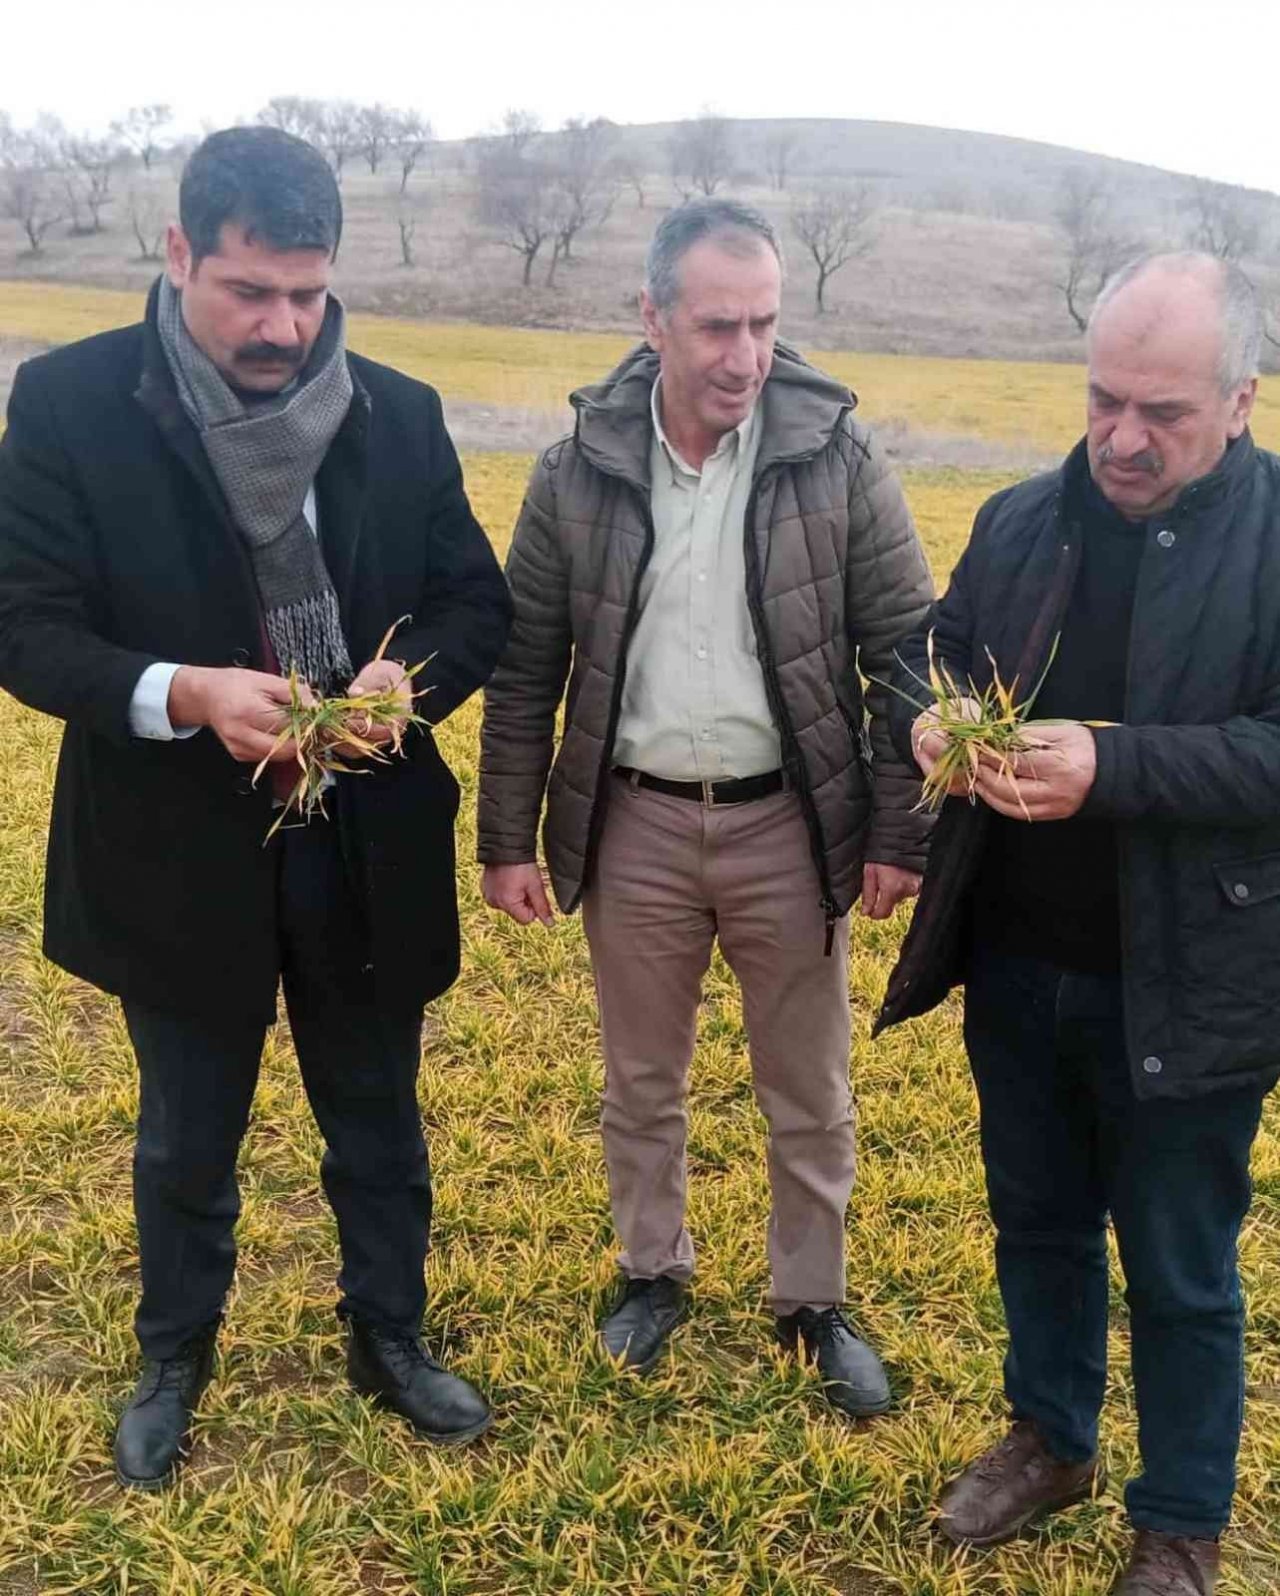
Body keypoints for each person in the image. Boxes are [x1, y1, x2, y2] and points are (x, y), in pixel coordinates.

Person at [0, 127, 512, 1490]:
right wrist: (185, 694)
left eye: (309, 291)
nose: (286, 325)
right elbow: (25, 624)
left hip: (368, 839)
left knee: (379, 1120)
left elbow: (477, 604)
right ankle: (176, 1353)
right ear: (178, 256)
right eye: (250, 292)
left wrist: (415, 679)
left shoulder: (396, 411)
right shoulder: (68, 403)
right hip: (176, 845)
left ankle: (388, 1339)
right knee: (185, 1130)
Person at [477, 198, 933, 1415]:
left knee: (808, 1087)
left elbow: (904, 655)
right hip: (631, 827)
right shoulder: (575, 472)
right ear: (653, 319)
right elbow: (527, 667)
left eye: (765, 325)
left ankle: (811, 1299)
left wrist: (900, 833)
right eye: (718, 325)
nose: (745, 356)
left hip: (791, 823)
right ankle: (649, 1273)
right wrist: (506, 839)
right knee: (641, 1082)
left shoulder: (835, 459)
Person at [877, 253, 1279, 1595]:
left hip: (1193, 976)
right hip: (1019, 960)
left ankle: (1179, 1526)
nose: (1122, 437)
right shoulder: (1019, 520)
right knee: (1036, 1225)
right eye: (1105, 399)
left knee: (1179, 1265)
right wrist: (928, 715)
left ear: (1242, 400)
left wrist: (1115, 765)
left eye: (1163, 412)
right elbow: (933, 651)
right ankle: (1051, 1440)